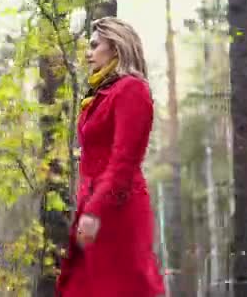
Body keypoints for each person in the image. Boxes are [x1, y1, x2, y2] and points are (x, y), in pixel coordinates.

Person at [56, 17, 165, 297]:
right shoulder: (101, 94)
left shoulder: (132, 90)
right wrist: (86, 208)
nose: (88, 53)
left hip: (118, 210)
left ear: (116, 48)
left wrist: (95, 211)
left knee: (121, 287)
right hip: (92, 207)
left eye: (94, 46)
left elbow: (124, 161)